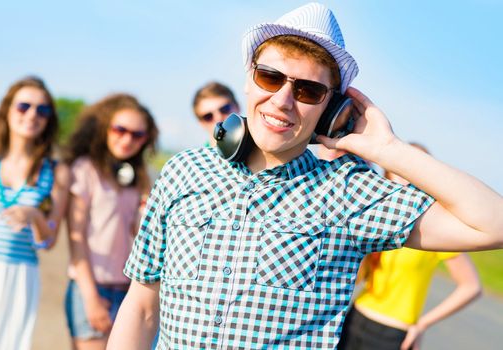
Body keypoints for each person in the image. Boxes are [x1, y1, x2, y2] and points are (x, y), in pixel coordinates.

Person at [108, 3, 503, 349]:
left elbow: (493, 225)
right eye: (270, 77)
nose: (282, 100)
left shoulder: (348, 194)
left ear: (331, 108)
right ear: (248, 78)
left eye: (309, 90)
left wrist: (389, 151)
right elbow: (143, 305)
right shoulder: (183, 171)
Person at [338, 144, 482, 350]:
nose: (406, 176)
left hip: (393, 333)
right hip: (355, 317)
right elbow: (359, 277)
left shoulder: (435, 232)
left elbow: (471, 287)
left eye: (415, 168)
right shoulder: (379, 222)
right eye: (400, 168)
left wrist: (423, 324)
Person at [0, 76, 70, 350]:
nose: (32, 115)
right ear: (7, 109)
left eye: (42, 110)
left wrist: (35, 215)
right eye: (24, 106)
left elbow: (48, 242)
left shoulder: (55, 172)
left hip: (19, 277)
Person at [63, 93, 158, 350]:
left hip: (130, 291)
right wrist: (90, 298)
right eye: (120, 129)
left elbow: (143, 236)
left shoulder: (141, 178)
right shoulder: (85, 169)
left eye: (138, 135)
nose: (127, 139)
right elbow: (77, 238)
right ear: (106, 127)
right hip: (92, 288)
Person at [192, 81, 240, 146]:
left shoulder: (258, 146)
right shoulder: (197, 156)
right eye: (208, 116)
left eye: (225, 109)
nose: (218, 118)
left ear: (237, 107)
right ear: (201, 123)